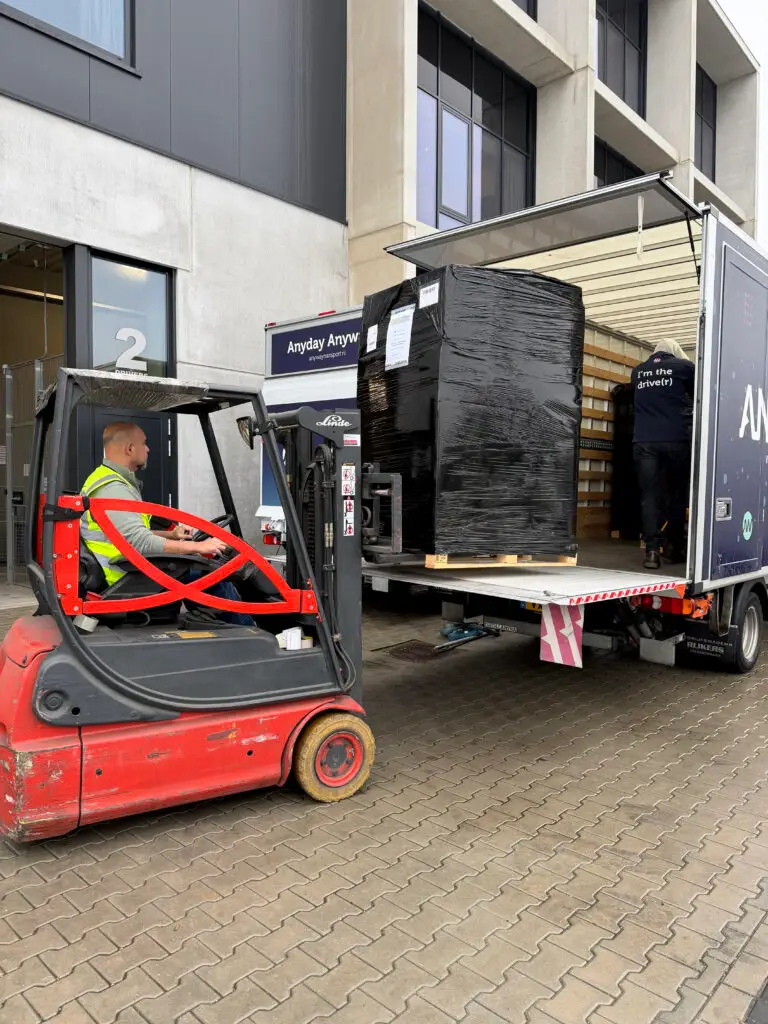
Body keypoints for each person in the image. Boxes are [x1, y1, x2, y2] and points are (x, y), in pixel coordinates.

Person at [80, 422, 252, 625]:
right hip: (126, 576)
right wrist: (197, 546)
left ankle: (219, 625)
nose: (148, 449)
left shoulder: (110, 481)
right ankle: (248, 631)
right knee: (209, 572)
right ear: (129, 448)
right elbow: (139, 543)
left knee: (199, 565)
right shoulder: (113, 488)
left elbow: (124, 535)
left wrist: (172, 535)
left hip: (129, 567)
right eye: (144, 444)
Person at [631, 339, 695, 570]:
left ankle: (651, 552)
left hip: (644, 441)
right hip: (675, 439)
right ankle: (675, 545)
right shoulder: (683, 367)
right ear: (674, 353)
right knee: (677, 493)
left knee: (649, 496)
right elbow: (697, 394)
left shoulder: (637, 372)